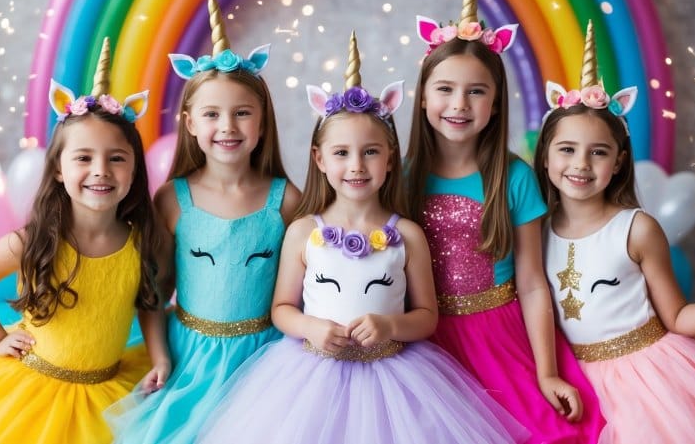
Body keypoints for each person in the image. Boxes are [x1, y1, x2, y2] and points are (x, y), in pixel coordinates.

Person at [195, 32, 530, 444]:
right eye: (341, 153)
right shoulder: (303, 231)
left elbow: (427, 316)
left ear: (391, 159)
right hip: (309, 375)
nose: (356, 166)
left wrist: (390, 324)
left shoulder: (407, 235)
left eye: (370, 152)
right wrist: (310, 327)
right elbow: (281, 308)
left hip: (394, 374)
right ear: (319, 159)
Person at [404, 0, 605, 443]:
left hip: (498, 336)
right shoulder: (398, 177)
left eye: (476, 92)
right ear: (423, 96)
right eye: (445, 89)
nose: (459, 104)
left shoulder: (514, 178)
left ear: (495, 104)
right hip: (422, 339)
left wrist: (546, 370)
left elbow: (533, 282)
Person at [105, 0, 300, 444]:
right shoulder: (174, 200)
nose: (227, 127)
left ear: (262, 122)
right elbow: (154, 292)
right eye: (211, 115)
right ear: (191, 124)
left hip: (266, 361)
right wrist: (159, 357)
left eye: (242, 114)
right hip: (190, 356)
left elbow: (302, 291)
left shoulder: (287, 200)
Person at [0, 38, 170, 444]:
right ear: (58, 169)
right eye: (83, 158)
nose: (101, 171)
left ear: (133, 170)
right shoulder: (31, 242)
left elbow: (148, 302)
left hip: (110, 391)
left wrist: (160, 355)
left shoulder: (140, 241)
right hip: (33, 391)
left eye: (116, 158)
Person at [535, 20, 695, 443]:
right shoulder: (535, 231)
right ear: (545, 156)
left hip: (650, 379)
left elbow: (676, 317)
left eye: (598, 152)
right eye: (567, 150)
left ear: (617, 162)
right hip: (580, 380)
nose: (580, 165)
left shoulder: (635, 228)